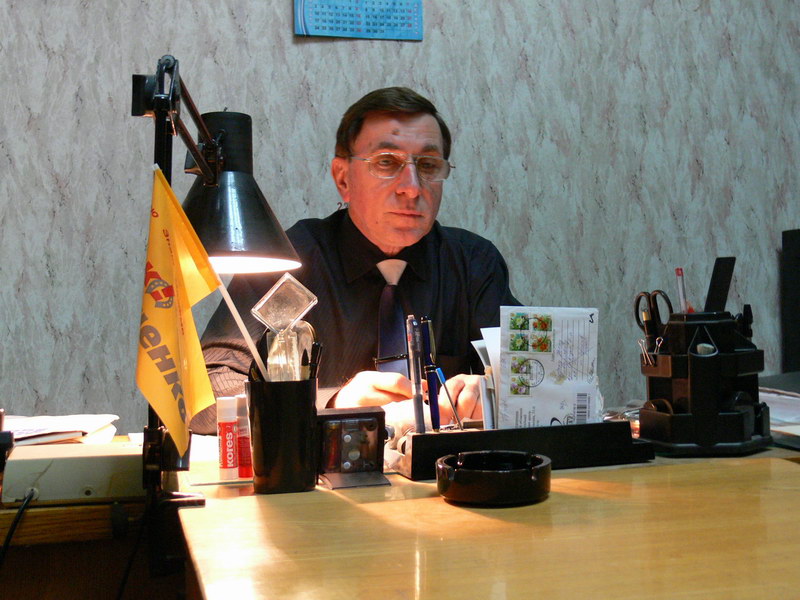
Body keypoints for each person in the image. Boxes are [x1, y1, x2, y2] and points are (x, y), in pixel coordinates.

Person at [191, 87, 518, 435]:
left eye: (427, 165)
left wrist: (492, 391)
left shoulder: (472, 263)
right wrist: (330, 403)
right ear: (343, 178)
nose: (412, 187)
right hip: (323, 467)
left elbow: (536, 373)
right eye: (386, 163)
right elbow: (204, 397)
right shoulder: (290, 261)